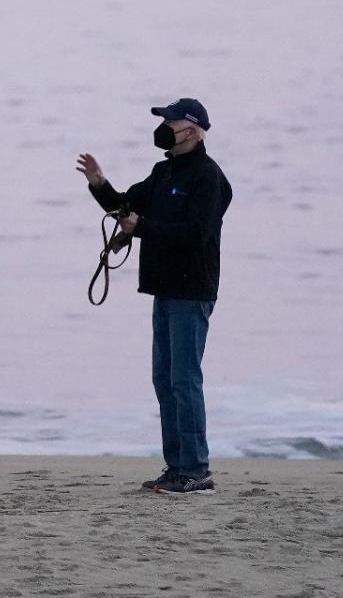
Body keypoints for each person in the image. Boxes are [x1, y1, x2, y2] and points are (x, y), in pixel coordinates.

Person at [76, 98, 232, 495]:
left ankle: (196, 470)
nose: (164, 128)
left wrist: (141, 226)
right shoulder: (163, 171)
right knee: (164, 380)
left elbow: (195, 234)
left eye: (171, 123)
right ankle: (176, 466)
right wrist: (99, 184)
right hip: (163, 288)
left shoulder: (208, 178)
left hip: (192, 290)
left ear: (193, 131)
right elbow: (124, 205)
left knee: (185, 380)